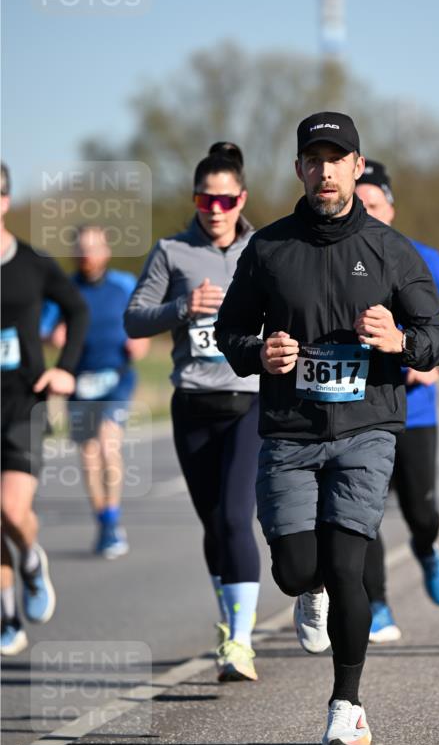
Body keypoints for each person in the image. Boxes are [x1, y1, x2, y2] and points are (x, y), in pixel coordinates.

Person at [215, 112, 439, 745]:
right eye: (313, 159)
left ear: (356, 165)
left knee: (352, 566)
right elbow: (230, 331)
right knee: (297, 569)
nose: (325, 170)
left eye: (336, 157)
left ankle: (346, 704)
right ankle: (306, 589)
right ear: (299, 169)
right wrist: (259, 353)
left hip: (367, 427)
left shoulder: (391, 250)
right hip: (290, 432)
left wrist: (400, 340)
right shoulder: (267, 248)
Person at [124, 143, 262, 682]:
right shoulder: (170, 252)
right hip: (193, 404)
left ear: (241, 199)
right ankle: (229, 627)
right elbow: (134, 320)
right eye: (208, 199)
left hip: (248, 400)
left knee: (234, 517)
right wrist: (183, 308)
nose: (216, 209)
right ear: (196, 199)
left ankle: (242, 642)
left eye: (227, 201)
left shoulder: (264, 247)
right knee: (213, 525)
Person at [354, 159, 439, 642]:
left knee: (421, 513)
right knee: (363, 513)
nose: (365, 212)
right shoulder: (334, 257)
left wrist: (436, 364)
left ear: (391, 208)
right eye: (357, 204)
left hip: (414, 411)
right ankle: (378, 603)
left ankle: (426, 549)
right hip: (357, 410)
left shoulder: (423, 258)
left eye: (373, 205)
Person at [1, 162, 89, 656]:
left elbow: (77, 308)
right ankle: (8, 616)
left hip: (22, 403)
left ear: (5, 200)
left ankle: (32, 561)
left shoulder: (33, 264)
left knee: (10, 509)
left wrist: (66, 368)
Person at [42, 226, 149, 558]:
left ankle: (113, 518)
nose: (87, 254)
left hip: (115, 378)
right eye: (81, 248)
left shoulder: (123, 285)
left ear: (105, 251)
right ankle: (104, 521)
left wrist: (140, 342)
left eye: (93, 247)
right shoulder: (65, 289)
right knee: (89, 456)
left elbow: (143, 321)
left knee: (108, 443)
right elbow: (44, 328)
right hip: (78, 381)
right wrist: (53, 337)